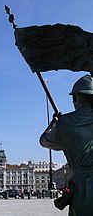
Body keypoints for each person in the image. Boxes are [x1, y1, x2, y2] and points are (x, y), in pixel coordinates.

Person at [39, 74, 93, 216]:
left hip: (83, 188)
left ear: (76, 98)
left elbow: (44, 140)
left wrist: (54, 124)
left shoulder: (66, 123)